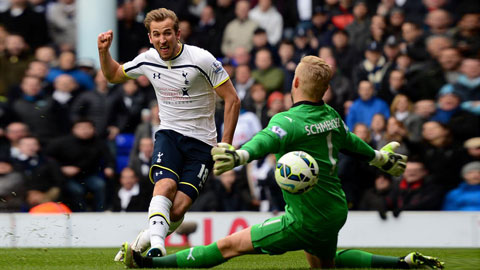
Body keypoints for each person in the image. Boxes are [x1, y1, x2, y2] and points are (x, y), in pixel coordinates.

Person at [123, 56, 442, 269]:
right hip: (333, 209)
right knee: (325, 264)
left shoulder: (288, 120)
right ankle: (402, 263)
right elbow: (351, 141)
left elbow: (265, 141)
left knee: (230, 245)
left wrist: (238, 155)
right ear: (326, 91)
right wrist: (380, 159)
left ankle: (151, 263)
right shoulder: (331, 117)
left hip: (302, 218)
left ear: (295, 84)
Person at [98, 8, 240, 258]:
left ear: (178, 33)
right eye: (156, 34)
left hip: (203, 143)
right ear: (150, 37)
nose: (162, 39)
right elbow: (112, 75)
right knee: (164, 186)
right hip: (169, 135)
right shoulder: (147, 59)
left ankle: (139, 245)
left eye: (167, 33)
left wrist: (225, 145)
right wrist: (103, 51)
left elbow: (232, 100)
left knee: (177, 210)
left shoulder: (202, 59)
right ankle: (157, 248)